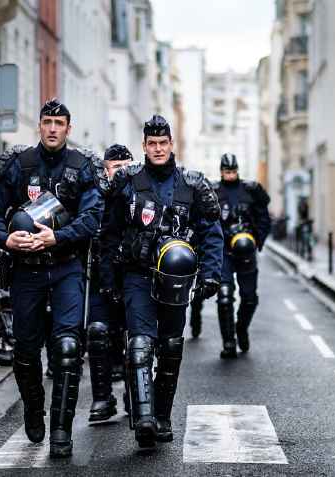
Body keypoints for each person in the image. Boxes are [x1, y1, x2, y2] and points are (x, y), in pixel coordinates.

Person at [0, 98, 104, 457]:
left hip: (66, 267)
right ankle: (33, 411)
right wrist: (4, 237)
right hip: (26, 270)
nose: (53, 128)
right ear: (40, 125)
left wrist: (58, 236)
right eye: (47, 121)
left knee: (67, 348)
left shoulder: (82, 167)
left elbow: (92, 217)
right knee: (25, 351)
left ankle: (62, 432)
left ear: (69, 128)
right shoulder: (20, 165)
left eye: (59, 123)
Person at [101, 115, 223, 448]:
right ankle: (143, 420)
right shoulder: (126, 182)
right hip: (137, 275)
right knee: (140, 344)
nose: (157, 149)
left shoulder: (192, 184)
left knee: (170, 348)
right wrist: (109, 278)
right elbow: (109, 233)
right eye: (151, 144)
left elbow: (212, 232)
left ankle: (163, 416)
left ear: (171, 145)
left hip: (176, 282)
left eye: (163, 143)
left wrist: (211, 274)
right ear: (144, 146)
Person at [189, 153, 271, 357]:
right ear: (221, 171)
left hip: (246, 251)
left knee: (249, 298)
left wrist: (258, 241)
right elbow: (203, 220)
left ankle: (241, 329)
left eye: (233, 171)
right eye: (227, 172)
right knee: (224, 297)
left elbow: (263, 217)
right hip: (224, 251)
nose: (230, 175)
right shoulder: (213, 192)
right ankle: (228, 342)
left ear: (237, 170)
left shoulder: (250, 191)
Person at [86, 144, 133, 423]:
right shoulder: (94, 196)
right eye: (116, 167)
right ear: (106, 170)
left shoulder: (140, 193)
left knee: (136, 340)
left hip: (132, 277)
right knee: (98, 332)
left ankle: (134, 393)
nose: (121, 172)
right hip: (101, 277)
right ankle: (103, 398)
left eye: (126, 166)